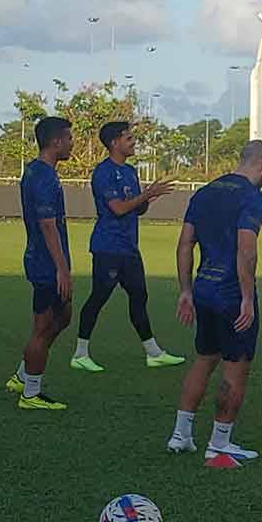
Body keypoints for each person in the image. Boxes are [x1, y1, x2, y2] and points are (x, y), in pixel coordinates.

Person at [166, 141, 262, 460]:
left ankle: (180, 435)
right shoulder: (252, 197)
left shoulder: (204, 192)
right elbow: (247, 249)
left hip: (204, 288)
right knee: (236, 366)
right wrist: (246, 298)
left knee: (204, 358)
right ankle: (219, 444)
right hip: (230, 292)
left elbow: (185, 243)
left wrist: (186, 290)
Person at [71, 122, 183, 372]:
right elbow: (118, 208)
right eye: (129, 137)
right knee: (99, 297)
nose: (134, 141)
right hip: (108, 247)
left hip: (129, 247)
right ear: (114, 143)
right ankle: (80, 353)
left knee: (139, 296)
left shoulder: (131, 172)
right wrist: (145, 195)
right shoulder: (103, 172)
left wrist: (149, 197)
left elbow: (136, 208)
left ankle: (153, 353)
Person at [4, 116, 75, 410]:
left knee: (64, 316)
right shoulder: (43, 177)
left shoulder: (36, 171)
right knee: (43, 327)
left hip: (44, 260)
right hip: (46, 264)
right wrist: (61, 269)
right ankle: (31, 394)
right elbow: (48, 225)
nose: (73, 143)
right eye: (70, 138)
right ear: (55, 141)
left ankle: (23, 375)